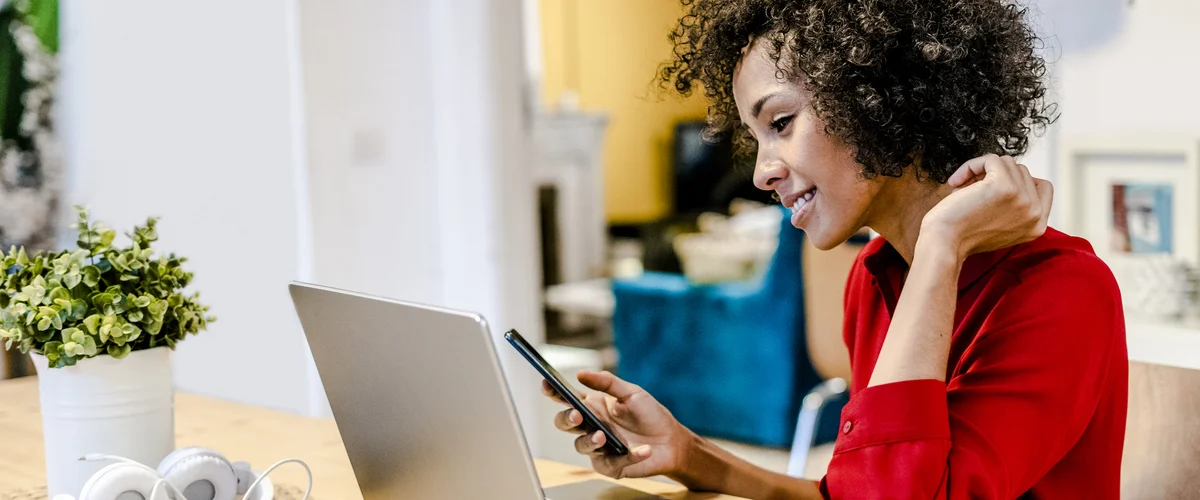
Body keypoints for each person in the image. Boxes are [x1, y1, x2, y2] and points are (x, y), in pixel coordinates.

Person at [543, 0, 1128, 498]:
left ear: (880, 101)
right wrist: (688, 452)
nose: (761, 175)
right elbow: (863, 487)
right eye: (755, 138)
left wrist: (941, 244)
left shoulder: (1062, 291)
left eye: (781, 122)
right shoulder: (875, 277)